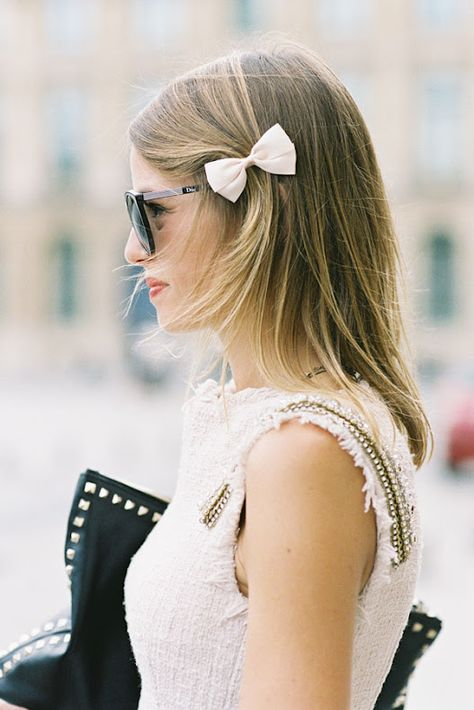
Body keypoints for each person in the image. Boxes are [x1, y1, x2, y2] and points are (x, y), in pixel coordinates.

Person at [1, 33, 434, 710]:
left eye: (152, 211)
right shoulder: (282, 420)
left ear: (253, 207)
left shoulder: (302, 451)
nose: (132, 248)